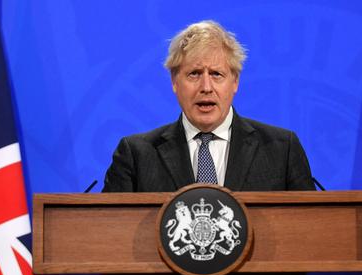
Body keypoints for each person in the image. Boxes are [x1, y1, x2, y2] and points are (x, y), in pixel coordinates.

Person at [102, 20, 315, 192]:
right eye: (194, 74)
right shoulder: (137, 155)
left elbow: (312, 227)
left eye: (216, 74)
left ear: (235, 82)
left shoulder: (281, 149)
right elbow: (110, 232)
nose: (206, 87)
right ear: (175, 82)